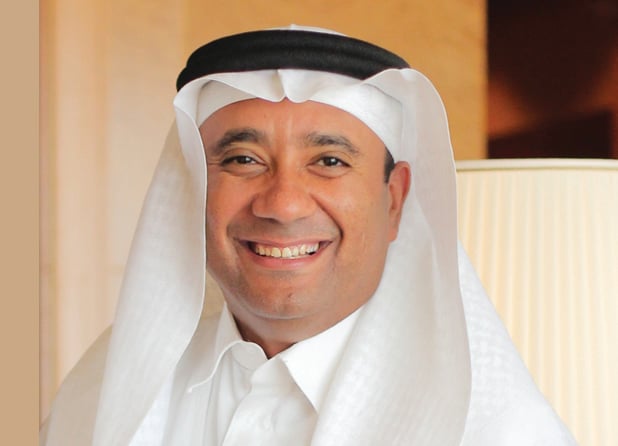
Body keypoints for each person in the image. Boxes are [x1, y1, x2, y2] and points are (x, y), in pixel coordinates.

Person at [41, 26, 577, 445]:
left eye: (329, 161)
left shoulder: (496, 429)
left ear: (393, 200)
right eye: (243, 159)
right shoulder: (99, 394)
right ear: (193, 190)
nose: (282, 204)